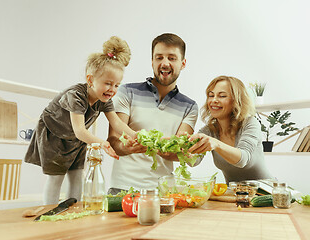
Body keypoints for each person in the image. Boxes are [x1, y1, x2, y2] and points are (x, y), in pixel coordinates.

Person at [24, 36, 137, 204]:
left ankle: (73, 209)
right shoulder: (75, 96)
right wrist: (103, 144)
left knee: (77, 175)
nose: (112, 90)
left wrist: (137, 136)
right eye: (108, 83)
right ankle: (50, 211)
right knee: (56, 177)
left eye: (116, 85)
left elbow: (117, 123)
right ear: (90, 79)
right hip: (54, 135)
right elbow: (80, 130)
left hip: (76, 140)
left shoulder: (104, 99)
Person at [107, 33, 198, 194]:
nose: (164, 63)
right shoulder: (126, 92)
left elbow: (179, 150)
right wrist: (128, 148)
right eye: (159, 57)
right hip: (122, 188)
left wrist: (159, 147)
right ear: (152, 61)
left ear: (183, 63)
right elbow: (114, 140)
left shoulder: (189, 107)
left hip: (163, 191)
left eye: (172, 58)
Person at [188, 75, 273, 183]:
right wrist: (185, 150)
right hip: (234, 194)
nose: (214, 100)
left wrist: (216, 143)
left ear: (236, 100)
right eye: (211, 95)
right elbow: (193, 161)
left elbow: (242, 159)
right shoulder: (209, 131)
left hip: (265, 193)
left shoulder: (250, 123)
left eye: (222, 96)